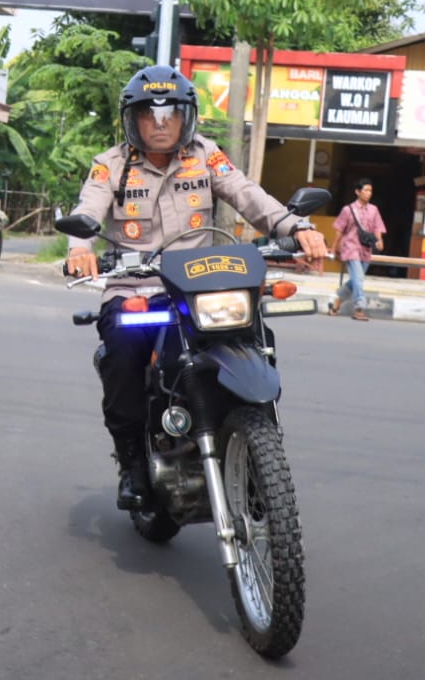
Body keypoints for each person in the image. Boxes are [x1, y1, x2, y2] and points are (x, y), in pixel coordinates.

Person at [64, 65, 328, 510]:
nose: (161, 123)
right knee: (123, 351)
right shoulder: (110, 165)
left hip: (200, 285)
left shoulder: (206, 155)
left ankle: (260, 441)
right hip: (138, 284)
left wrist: (295, 226)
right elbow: (88, 211)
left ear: (188, 117)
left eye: (171, 113)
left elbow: (248, 195)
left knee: (255, 333)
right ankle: (131, 463)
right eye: (150, 113)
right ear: (133, 119)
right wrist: (79, 249)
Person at [328, 179, 386, 322]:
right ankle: (359, 309)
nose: (368, 193)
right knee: (359, 279)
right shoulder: (348, 210)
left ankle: (336, 303)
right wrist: (334, 247)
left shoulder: (374, 210)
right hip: (350, 248)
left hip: (366, 249)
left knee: (355, 280)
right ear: (357, 192)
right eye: (365, 190)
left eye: (370, 191)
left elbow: (378, 227)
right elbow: (339, 230)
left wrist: (380, 240)